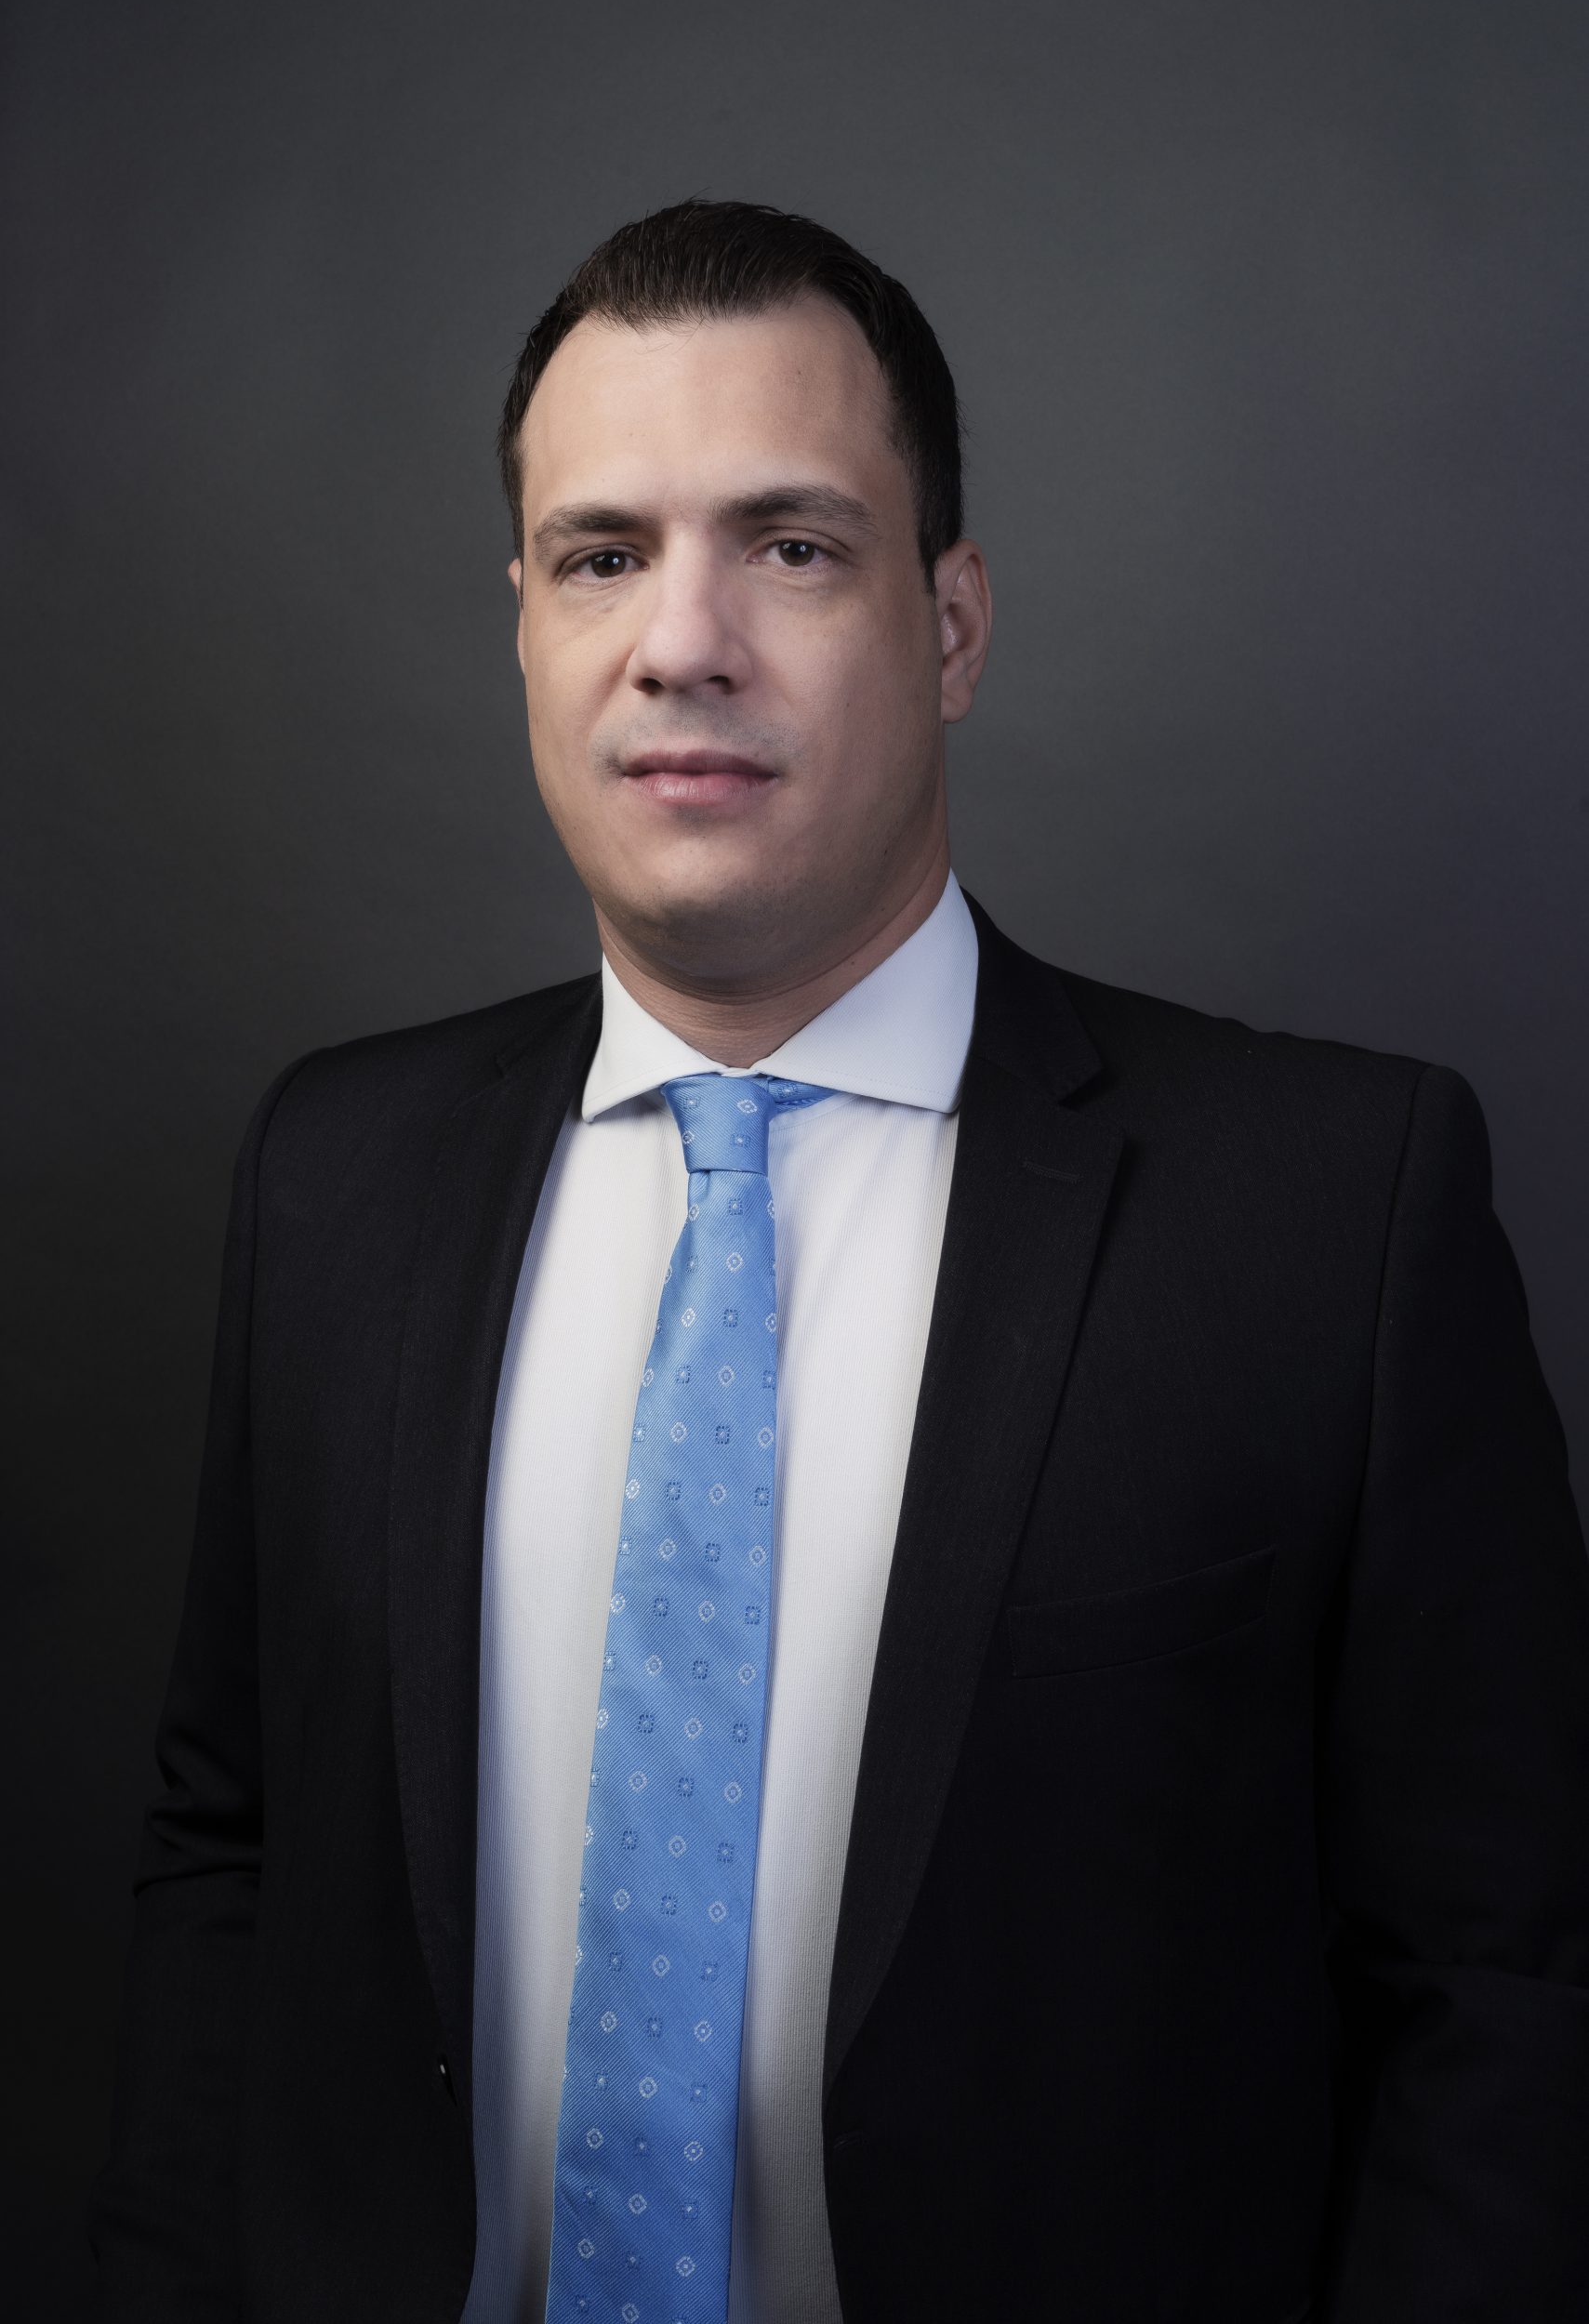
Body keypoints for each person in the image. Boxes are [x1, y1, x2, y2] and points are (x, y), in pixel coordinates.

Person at [90, 198, 1589, 2323]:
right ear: (520, 623)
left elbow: (1500, 1980)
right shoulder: (338, 1172)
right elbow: (229, 1856)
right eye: (600, 555)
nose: (680, 641)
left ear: (951, 624)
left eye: (790, 545)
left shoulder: (1331, 1206)